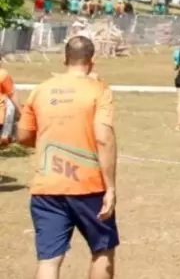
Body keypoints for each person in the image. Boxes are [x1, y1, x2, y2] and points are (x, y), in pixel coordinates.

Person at [15, 36, 119, 279]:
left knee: (49, 261)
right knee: (103, 250)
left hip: (47, 187)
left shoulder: (40, 89)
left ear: (64, 59)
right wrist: (111, 188)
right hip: (89, 187)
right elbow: (103, 137)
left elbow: (23, 136)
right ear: (92, 61)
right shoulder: (99, 89)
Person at [0, 55, 20, 147]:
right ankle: (6, 135)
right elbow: (12, 94)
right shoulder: (3, 74)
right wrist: (21, 111)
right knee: (10, 106)